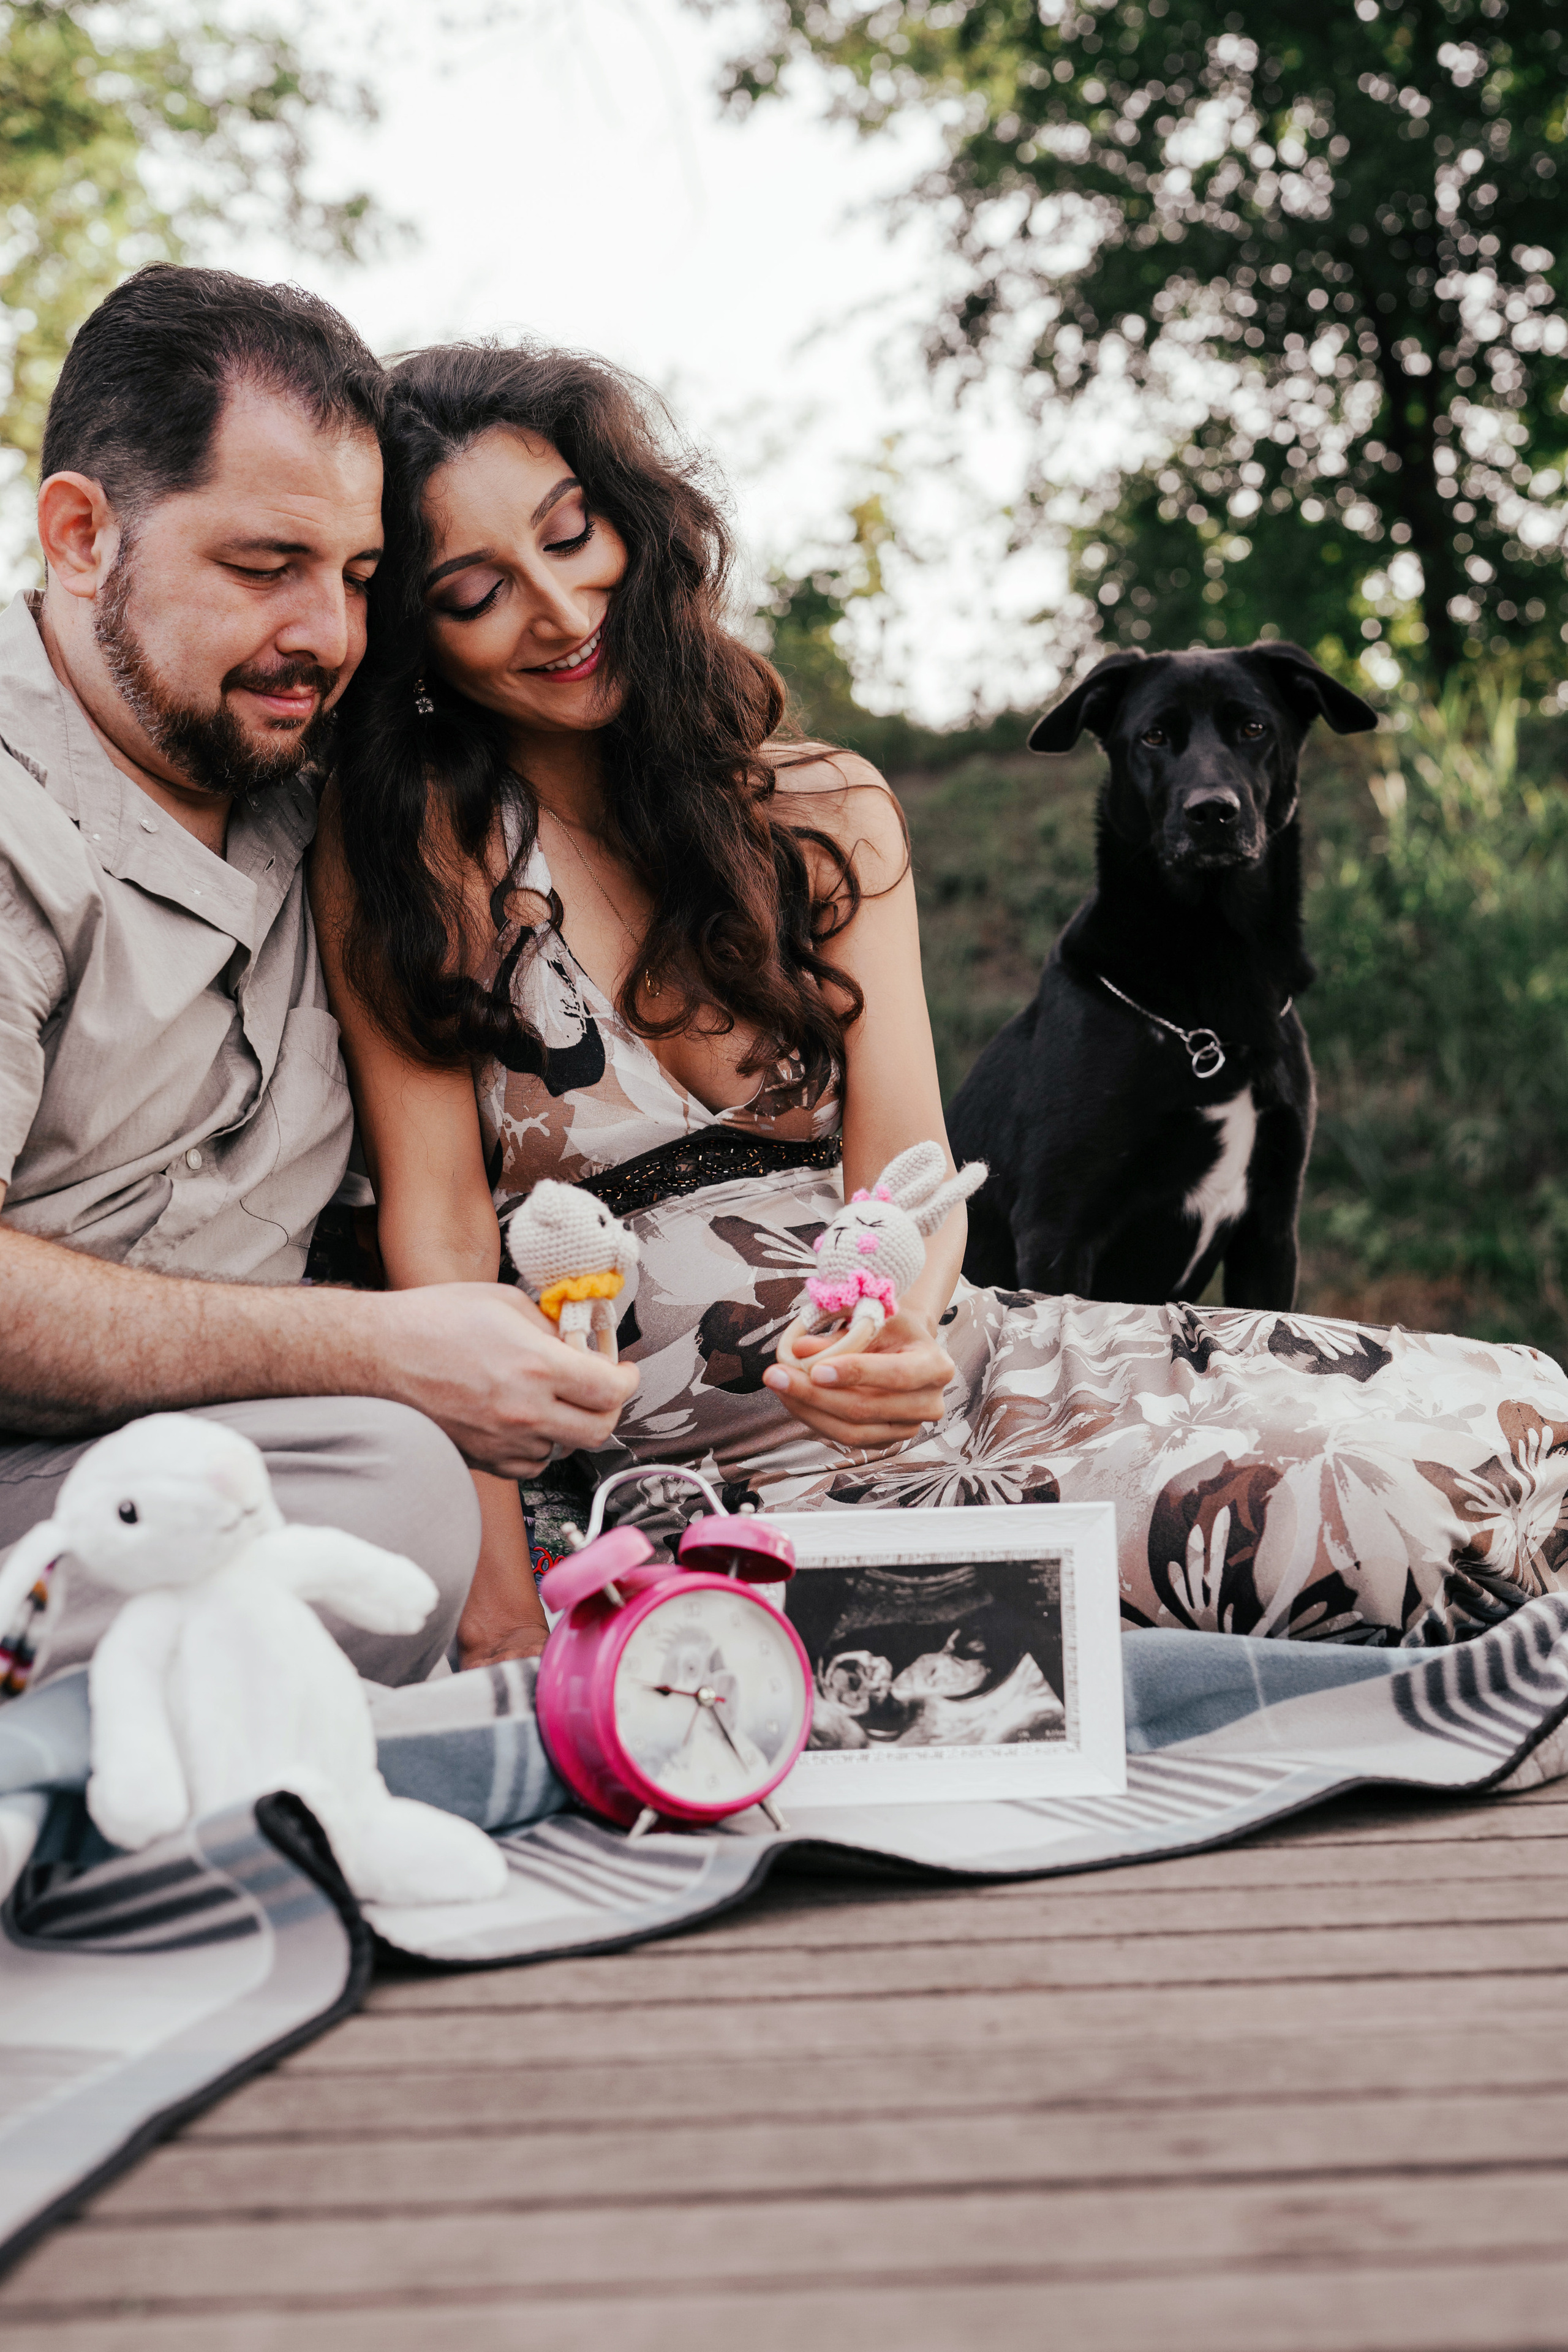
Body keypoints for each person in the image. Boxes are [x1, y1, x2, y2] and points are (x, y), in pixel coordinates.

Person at [317, 337, 1568, 1654]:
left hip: (955, 1362)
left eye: (573, 536)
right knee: (1405, 1529)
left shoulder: (825, 810)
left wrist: (901, 1331)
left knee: (1529, 1423)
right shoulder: (409, 858)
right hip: (699, 1463)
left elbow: (906, 1176)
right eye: (474, 590)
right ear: (415, 633)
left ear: (634, 521)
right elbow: (443, 1246)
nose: (562, 611)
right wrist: (498, 1604)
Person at [0, 271, 635, 1689]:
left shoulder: (333, 789)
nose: (331, 638)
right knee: (384, 1490)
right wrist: (375, 1349)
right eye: (262, 566)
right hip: (33, 1486)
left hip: (219, 1468)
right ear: (81, 534)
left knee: (385, 1504)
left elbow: (582, 678)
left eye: (357, 577)